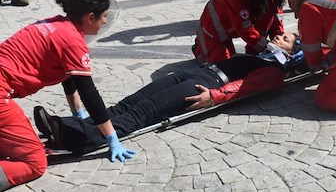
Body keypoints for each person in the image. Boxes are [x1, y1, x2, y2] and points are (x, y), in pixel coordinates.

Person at [33, 32, 303, 156]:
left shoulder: (275, 70)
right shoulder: (260, 55)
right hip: (197, 73)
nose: (279, 36)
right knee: (127, 104)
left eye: (287, 39)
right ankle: (71, 125)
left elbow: (246, 87)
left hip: (204, 86)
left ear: (292, 52)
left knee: (142, 114)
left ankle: (71, 135)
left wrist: (215, 97)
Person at [0, 0, 136, 192]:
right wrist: (112, 138)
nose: (106, 21)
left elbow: (69, 77)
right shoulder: (72, 41)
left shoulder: (57, 24)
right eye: (104, 16)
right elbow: (89, 93)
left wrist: (78, 114)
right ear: (90, 17)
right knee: (34, 162)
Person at [193, 0, 285, 63]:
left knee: (255, 58)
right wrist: (267, 46)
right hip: (214, 31)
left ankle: (254, 52)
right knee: (224, 65)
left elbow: (275, 18)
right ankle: (199, 48)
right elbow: (244, 28)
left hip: (234, 26)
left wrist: (279, 41)